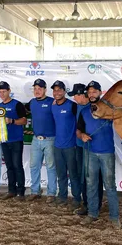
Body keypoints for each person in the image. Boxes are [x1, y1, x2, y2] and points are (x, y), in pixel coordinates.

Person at [77, 81, 120, 228]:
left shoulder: (109, 110)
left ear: (101, 93)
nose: (91, 94)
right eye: (89, 92)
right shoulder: (83, 112)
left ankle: (114, 217)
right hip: (90, 152)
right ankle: (92, 214)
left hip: (107, 153)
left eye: (94, 91)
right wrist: (81, 135)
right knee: (91, 184)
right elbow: (78, 130)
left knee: (110, 186)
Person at [68, 83, 104, 216]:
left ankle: (95, 205)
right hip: (79, 146)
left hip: (92, 148)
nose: (74, 98)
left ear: (82, 95)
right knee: (83, 177)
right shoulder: (75, 107)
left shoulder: (97, 107)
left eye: (75, 95)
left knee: (94, 177)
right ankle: (87, 204)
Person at [25, 78, 57, 204]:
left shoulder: (52, 102)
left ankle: (51, 193)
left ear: (45, 89)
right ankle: (35, 191)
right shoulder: (32, 102)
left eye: (40, 89)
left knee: (50, 167)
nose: (37, 91)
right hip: (35, 139)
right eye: (35, 89)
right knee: (34, 166)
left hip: (50, 139)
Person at [51, 80, 81, 209]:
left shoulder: (72, 105)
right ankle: (62, 196)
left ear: (64, 91)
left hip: (71, 146)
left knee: (73, 174)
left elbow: (81, 121)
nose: (57, 92)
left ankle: (76, 197)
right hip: (57, 146)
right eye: (55, 90)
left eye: (59, 90)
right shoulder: (53, 105)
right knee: (61, 173)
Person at [0, 81, 27, 201]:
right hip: (4, 140)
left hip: (16, 140)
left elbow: (24, 121)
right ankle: (11, 190)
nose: (2, 94)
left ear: (9, 91)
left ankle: (21, 192)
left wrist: (12, 121)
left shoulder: (17, 104)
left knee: (17, 165)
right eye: (0, 92)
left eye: (4, 91)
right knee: (9, 166)